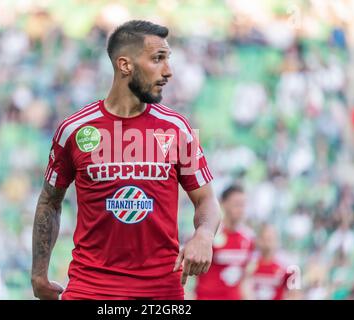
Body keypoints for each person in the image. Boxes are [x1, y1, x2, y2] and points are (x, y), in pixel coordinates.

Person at [31, 20, 220, 300]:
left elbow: (206, 200)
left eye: (168, 59)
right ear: (125, 65)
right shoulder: (75, 130)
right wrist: (38, 273)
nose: (168, 71)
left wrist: (204, 234)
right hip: (90, 289)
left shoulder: (177, 129)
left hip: (161, 292)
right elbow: (49, 200)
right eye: (158, 59)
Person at [195, 184, 254, 300]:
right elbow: (190, 273)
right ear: (223, 203)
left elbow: (245, 279)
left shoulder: (249, 238)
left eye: (243, 205)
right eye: (237, 204)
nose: (241, 209)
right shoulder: (208, 234)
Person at [241, 224, 294, 300]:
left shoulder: (286, 266)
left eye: (270, 239)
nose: (267, 243)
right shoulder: (251, 264)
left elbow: (293, 294)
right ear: (258, 241)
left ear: (277, 241)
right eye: (264, 239)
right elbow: (244, 288)